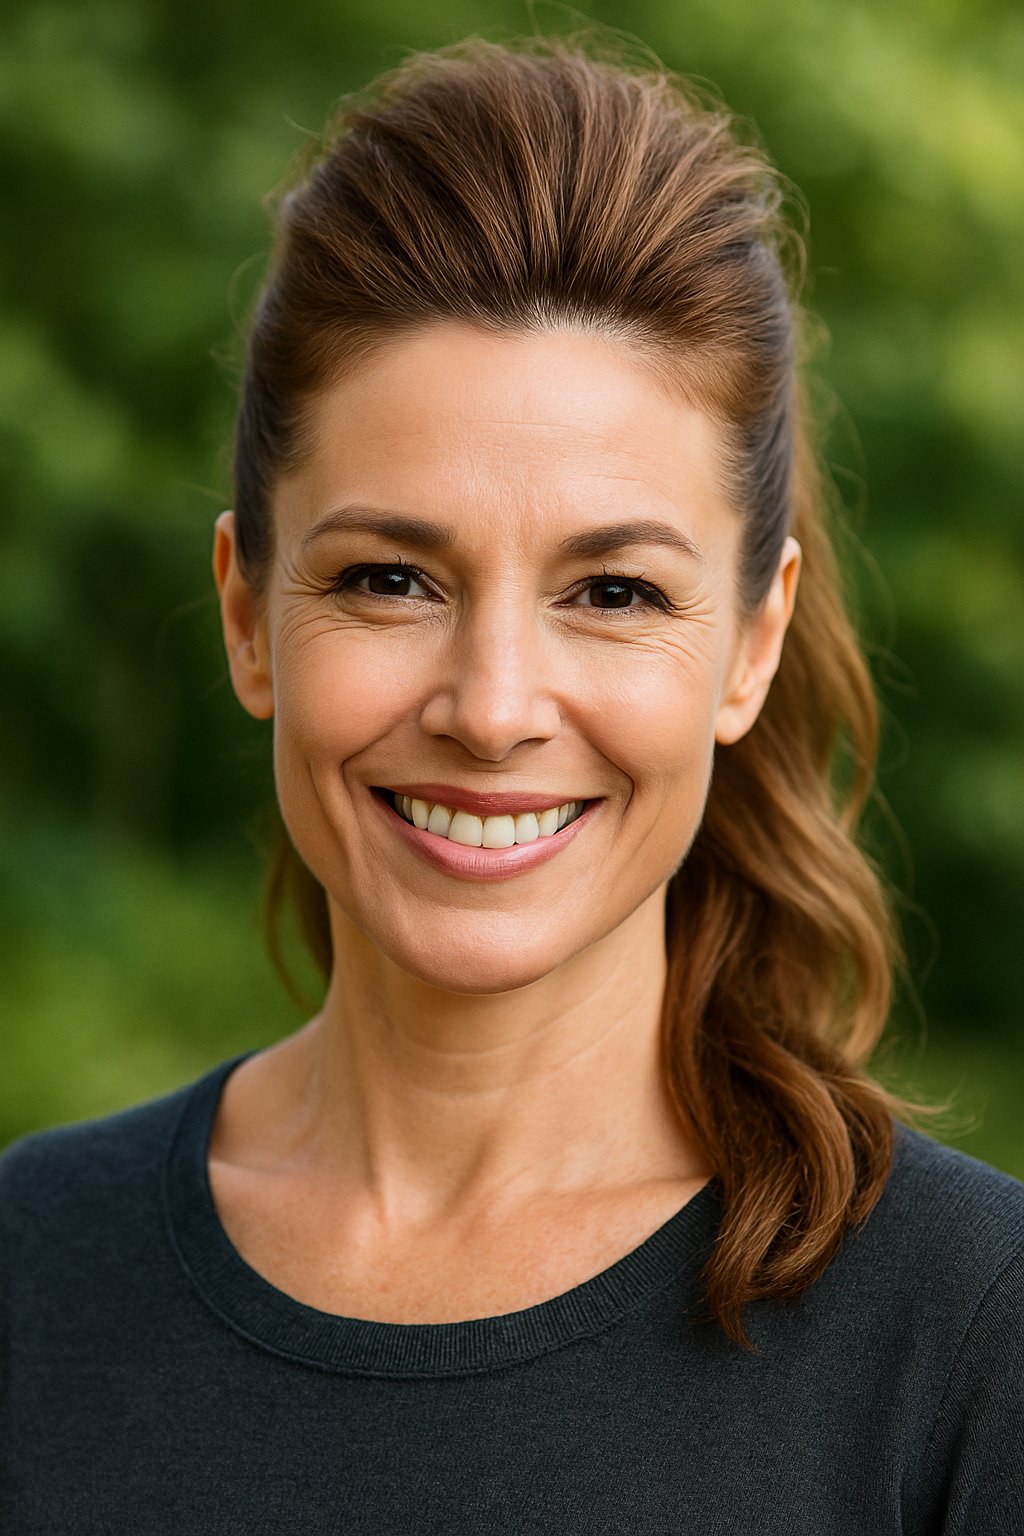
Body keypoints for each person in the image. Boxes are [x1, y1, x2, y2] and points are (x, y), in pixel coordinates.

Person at [1, 37, 1021, 1534]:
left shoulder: (972, 1344)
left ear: (750, 646)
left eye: (612, 593)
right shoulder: (28, 1269)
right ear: (247, 615)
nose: (490, 710)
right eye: (391, 578)